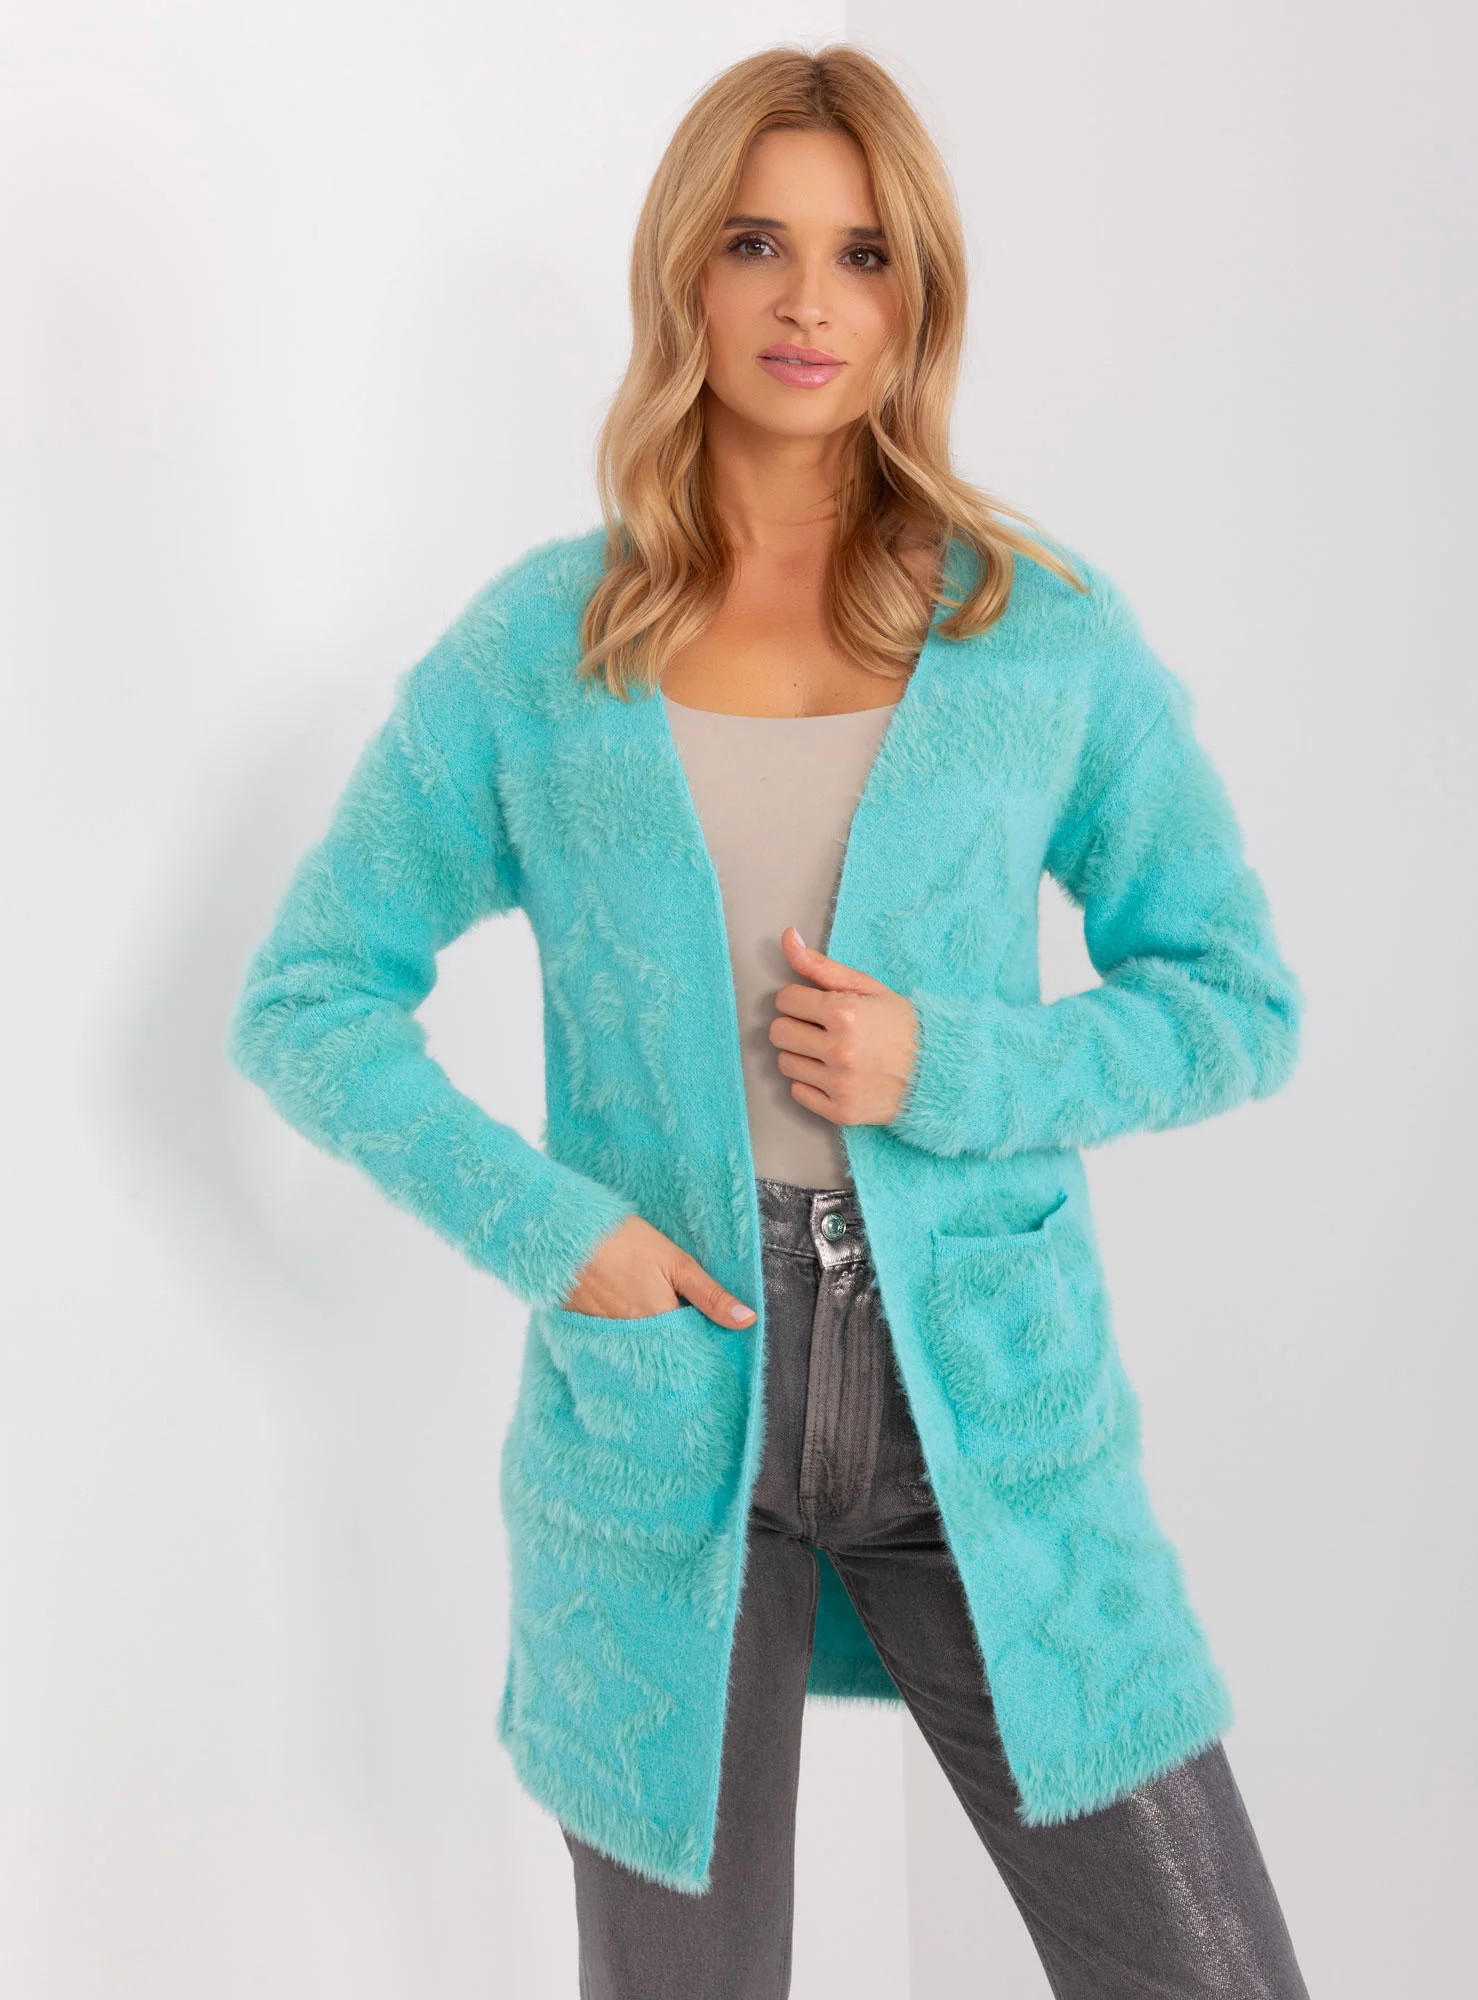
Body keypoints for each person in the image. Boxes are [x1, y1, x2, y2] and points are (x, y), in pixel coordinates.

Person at [228, 43, 1311, 2000]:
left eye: (863, 254)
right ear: (688, 274)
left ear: (917, 297)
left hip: (985, 1408)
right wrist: (558, 1234)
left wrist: (951, 1066)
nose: (810, 301)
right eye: (758, 244)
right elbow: (312, 998)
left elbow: (1235, 998)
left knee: (1209, 1972)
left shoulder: (1033, 629)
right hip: (667, 1413)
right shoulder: (543, 651)